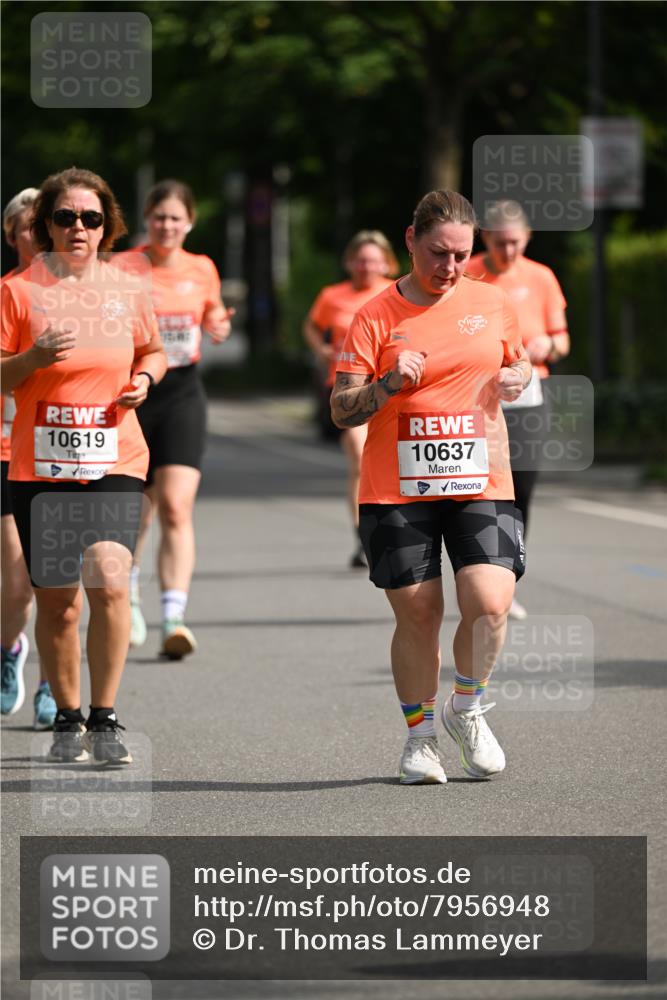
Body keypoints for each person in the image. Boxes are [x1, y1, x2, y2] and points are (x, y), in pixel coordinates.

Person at [330, 190, 531, 785]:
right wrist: (388, 383)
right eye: (438, 254)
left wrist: (519, 375)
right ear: (410, 240)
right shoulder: (374, 315)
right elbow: (342, 410)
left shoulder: (492, 303)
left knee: (491, 603)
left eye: (462, 256)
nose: (450, 268)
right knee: (420, 616)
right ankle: (419, 740)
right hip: (397, 487)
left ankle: (466, 707)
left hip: (481, 477)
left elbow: (518, 362)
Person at [0, 166, 167, 763]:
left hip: (115, 453)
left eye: (90, 218)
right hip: (41, 466)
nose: (78, 227)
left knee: (109, 574)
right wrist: (32, 358)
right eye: (65, 217)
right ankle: (67, 717)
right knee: (59, 601)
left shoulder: (126, 286)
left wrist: (145, 378)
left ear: (106, 225)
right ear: (45, 224)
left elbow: (152, 347)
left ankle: (105, 717)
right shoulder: (18, 291)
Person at [124, 180, 233, 658]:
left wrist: (219, 325)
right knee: (135, 510)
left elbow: (212, 316)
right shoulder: (124, 266)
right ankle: (126, 593)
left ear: (189, 222)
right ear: (147, 220)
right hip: (132, 392)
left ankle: (173, 616)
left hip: (183, 391)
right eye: (158, 217)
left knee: (174, 505)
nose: (166, 225)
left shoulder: (202, 267)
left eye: (175, 218)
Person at [467, 201, 569, 619]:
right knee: (482, 490)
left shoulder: (541, 277)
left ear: (527, 238)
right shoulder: (467, 271)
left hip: (529, 395)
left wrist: (550, 345)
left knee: (521, 489)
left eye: (515, 242)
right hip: (477, 395)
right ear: (485, 237)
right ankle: (478, 577)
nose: (507, 251)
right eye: (499, 242)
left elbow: (563, 340)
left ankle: (508, 580)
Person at [304, 231, 398, 567]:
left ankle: (394, 528)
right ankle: (364, 535)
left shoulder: (396, 292)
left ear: (387, 262)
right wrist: (322, 350)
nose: (367, 266)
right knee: (360, 455)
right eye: (360, 259)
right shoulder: (333, 295)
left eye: (374, 260)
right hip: (350, 389)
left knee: (393, 462)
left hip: (390, 388)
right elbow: (312, 327)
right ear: (349, 262)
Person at [1, 187, 56, 729]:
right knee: (18, 581)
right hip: (6, 449)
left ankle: (51, 685)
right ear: (13, 235)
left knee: (55, 583)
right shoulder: (6, 294)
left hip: (58, 451)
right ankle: (10, 647)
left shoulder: (79, 295)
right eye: (29, 229)